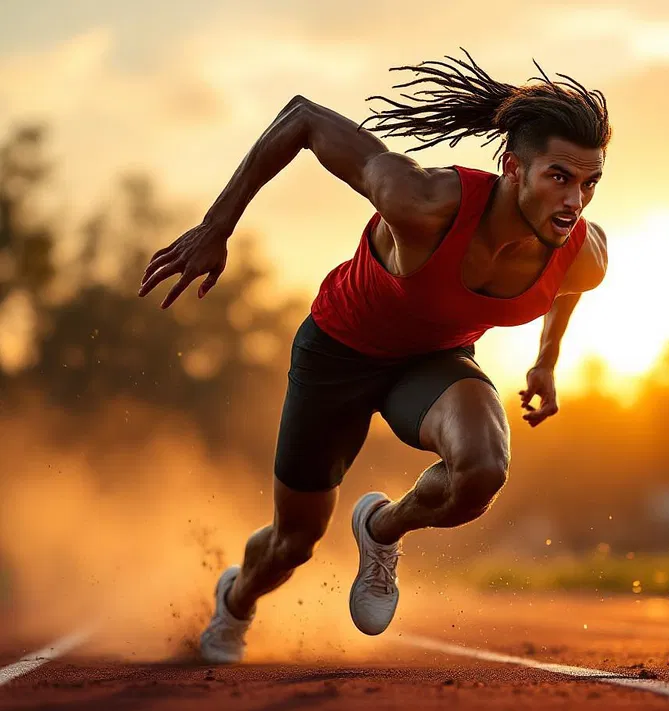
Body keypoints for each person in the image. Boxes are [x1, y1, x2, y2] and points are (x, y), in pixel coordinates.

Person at [138, 51, 611, 664]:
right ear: (513, 167)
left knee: (483, 470)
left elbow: (565, 288)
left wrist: (547, 361)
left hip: (431, 361)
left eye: (589, 182)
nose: (576, 200)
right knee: (294, 541)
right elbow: (302, 117)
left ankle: (382, 529)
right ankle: (237, 601)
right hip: (339, 352)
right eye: (559, 177)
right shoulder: (422, 202)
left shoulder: (583, 253)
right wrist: (216, 226)